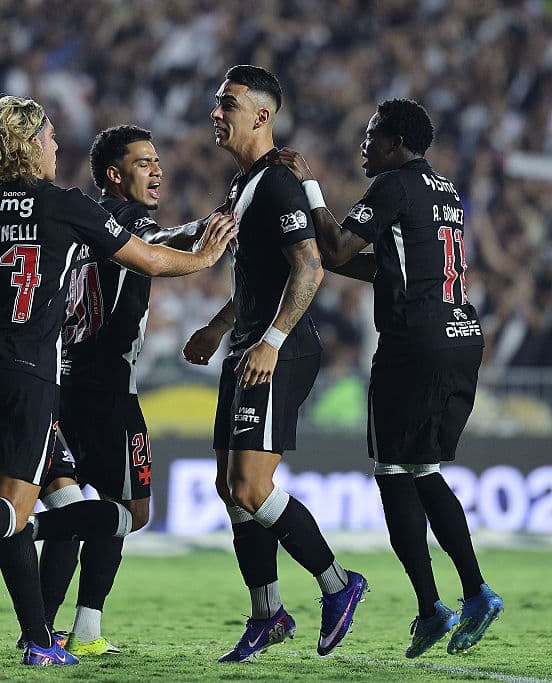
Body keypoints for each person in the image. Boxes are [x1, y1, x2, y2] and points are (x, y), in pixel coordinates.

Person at [0, 95, 237, 666]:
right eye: (47, 136)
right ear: (27, 143)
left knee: (12, 502)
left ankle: (39, 642)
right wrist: (205, 257)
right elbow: (147, 258)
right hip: (29, 372)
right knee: (12, 510)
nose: (55, 145)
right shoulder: (60, 205)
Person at [275, 98, 503, 658]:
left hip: (413, 342)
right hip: (461, 336)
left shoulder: (393, 186)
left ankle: (435, 607)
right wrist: (324, 257)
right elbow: (377, 265)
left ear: (397, 143)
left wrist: (310, 189)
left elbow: (335, 246)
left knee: (393, 472)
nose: (364, 144)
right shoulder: (444, 190)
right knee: (422, 468)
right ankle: (470, 592)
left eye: (373, 135)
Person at [182, 65, 367, 663]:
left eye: (227, 104)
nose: (217, 113)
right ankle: (268, 615)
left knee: (250, 485)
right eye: (217, 103)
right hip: (247, 346)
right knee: (229, 489)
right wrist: (218, 326)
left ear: (261, 116)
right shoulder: (242, 186)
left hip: (277, 351)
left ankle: (338, 584)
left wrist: (273, 340)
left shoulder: (279, 184)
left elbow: (309, 267)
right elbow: (257, 277)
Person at [30, 125, 217, 657]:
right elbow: (156, 243)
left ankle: (45, 632)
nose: (157, 170)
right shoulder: (129, 223)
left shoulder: (76, 221)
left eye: (157, 161)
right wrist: (208, 233)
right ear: (115, 175)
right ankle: (63, 596)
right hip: (109, 390)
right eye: (143, 163)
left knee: (75, 507)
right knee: (129, 512)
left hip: (61, 385)